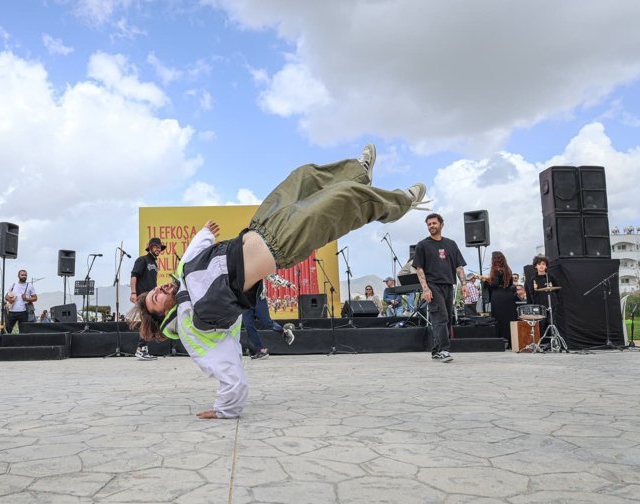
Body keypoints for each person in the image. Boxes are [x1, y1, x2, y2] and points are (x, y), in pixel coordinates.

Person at [129, 144, 428, 418]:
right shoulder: (191, 324)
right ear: (164, 315)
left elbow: (192, 251)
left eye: (155, 289)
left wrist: (206, 232)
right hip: (282, 245)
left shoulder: (183, 274)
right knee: (344, 200)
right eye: (156, 297)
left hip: (260, 225)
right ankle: (401, 203)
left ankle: (358, 171)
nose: (159, 288)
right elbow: (223, 362)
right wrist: (226, 408)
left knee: (303, 176)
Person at [413, 213, 466, 363]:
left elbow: (459, 266)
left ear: (441, 225)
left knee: (448, 319)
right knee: (440, 318)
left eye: (434, 223)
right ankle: (444, 350)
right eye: (429, 224)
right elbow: (419, 269)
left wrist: (464, 284)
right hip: (432, 285)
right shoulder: (423, 245)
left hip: (449, 285)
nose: (431, 226)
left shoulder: (451, 244)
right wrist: (425, 289)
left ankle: (436, 350)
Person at [242, 282, 295, 360]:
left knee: (267, 322)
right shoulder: (239, 270)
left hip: (258, 297)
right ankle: (261, 351)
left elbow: (271, 275)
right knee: (248, 325)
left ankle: (284, 332)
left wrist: (288, 284)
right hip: (245, 301)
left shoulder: (258, 269)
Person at [130, 237, 163, 361]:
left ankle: (143, 349)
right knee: (146, 322)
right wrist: (133, 292)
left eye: (159, 247)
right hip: (142, 296)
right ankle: (141, 349)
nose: (158, 249)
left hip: (151, 296)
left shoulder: (154, 263)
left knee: (149, 322)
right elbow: (134, 276)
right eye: (155, 247)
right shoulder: (142, 260)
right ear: (149, 247)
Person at [479, 251, 517, 348]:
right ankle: (512, 341)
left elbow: (494, 284)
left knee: (499, 320)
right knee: (510, 319)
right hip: (509, 296)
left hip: (498, 297)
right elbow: (511, 284)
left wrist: (486, 280)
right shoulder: (508, 270)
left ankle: (502, 341)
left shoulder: (495, 270)